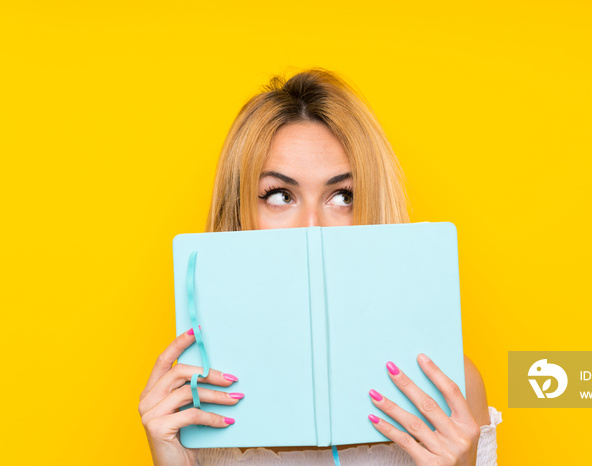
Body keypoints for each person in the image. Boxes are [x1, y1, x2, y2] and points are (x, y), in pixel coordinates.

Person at [139, 68, 502, 465]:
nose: (312, 227)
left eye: (343, 196)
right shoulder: (196, 399)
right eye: (280, 195)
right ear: (238, 210)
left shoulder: (448, 384)